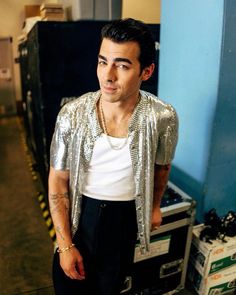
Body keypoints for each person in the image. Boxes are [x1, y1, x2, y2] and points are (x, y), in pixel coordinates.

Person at [48, 18, 178, 295]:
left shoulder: (162, 117)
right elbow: (58, 180)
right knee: (69, 286)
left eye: (122, 65)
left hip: (125, 219)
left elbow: (162, 166)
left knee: (112, 286)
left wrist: (154, 205)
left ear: (146, 71)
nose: (108, 75)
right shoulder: (72, 115)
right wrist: (66, 245)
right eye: (102, 61)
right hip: (81, 216)